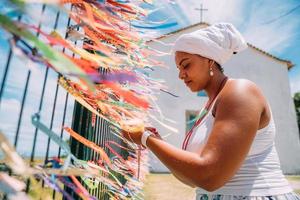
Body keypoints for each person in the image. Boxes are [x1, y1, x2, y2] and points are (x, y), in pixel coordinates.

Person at [122, 23, 300, 200]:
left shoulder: (240, 92)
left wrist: (146, 139)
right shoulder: (209, 107)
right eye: (179, 68)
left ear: (209, 60)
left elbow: (209, 176)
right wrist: (156, 140)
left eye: (186, 65)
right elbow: (191, 178)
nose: (181, 75)